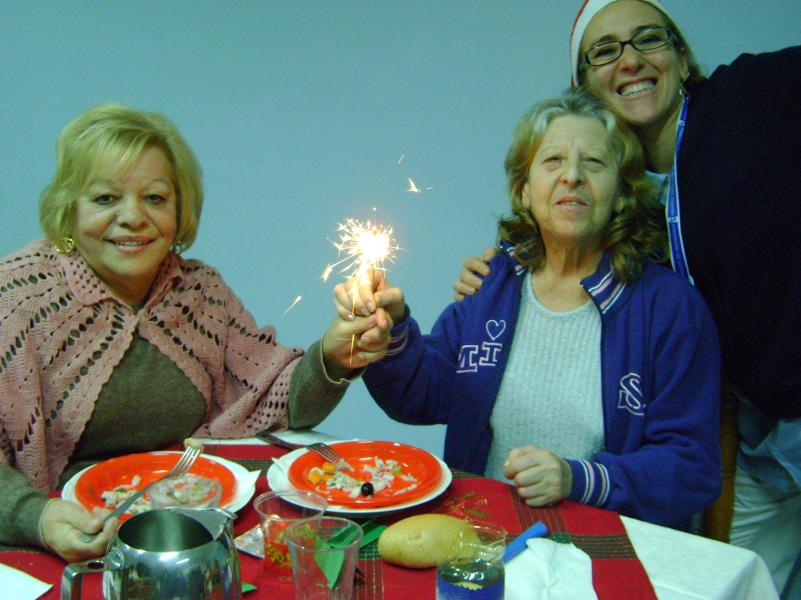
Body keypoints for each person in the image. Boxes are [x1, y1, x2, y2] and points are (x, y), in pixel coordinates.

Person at [453, 1, 801, 594]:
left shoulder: (753, 94)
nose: (632, 60)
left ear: (683, 55)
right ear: (584, 85)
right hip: (766, 436)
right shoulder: (636, 230)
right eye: (606, 50)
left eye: (649, 39)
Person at [0, 103, 391, 562]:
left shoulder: (200, 291)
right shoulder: (16, 297)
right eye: (106, 198)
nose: (132, 218)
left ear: (180, 210)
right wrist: (36, 517)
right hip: (56, 549)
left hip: (193, 535)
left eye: (155, 198)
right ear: (68, 209)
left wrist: (335, 353)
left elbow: (273, 399)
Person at [335, 88, 721, 529]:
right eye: (553, 161)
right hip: (481, 540)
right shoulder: (492, 285)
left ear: (621, 194)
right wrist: (393, 332)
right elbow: (420, 396)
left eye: (593, 162)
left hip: (605, 553)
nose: (572, 176)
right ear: (524, 190)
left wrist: (580, 479)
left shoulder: (671, 309)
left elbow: (693, 468)